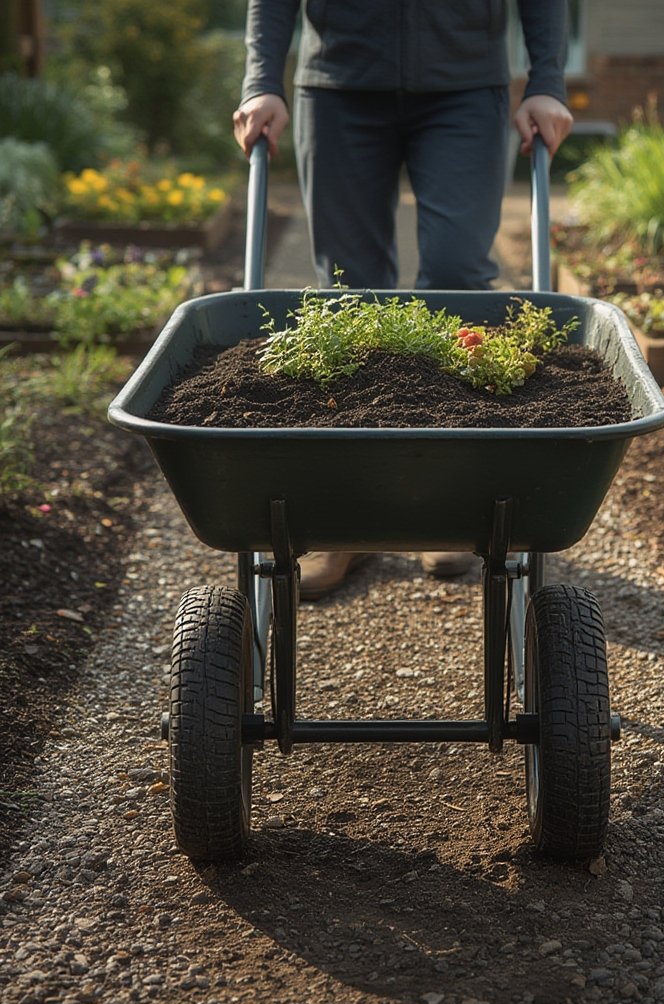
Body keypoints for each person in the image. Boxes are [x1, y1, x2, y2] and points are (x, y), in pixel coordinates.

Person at [233, 1, 573, 600]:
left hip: (466, 86)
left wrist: (545, 82)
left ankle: (452, 504)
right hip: (338, 85)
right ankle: (347, 518)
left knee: (457, 279)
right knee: (348, 291)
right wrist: (263, 82)